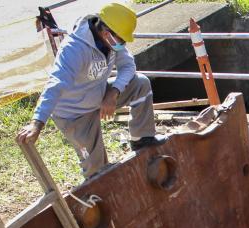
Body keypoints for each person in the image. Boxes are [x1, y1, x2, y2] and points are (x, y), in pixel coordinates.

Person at [17, 2, 165, 178]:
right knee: (97, 170)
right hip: (74, 113)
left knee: (140, 83)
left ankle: (142, 139)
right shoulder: (74, 49)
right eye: (120, 39)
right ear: (105, 31)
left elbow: (128, 66)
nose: (121, 44)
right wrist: (37, 123)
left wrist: (113, 92)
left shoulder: (111, 42)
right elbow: (56, 83)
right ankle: (95, 196)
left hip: (99, 95)